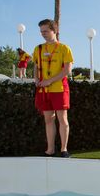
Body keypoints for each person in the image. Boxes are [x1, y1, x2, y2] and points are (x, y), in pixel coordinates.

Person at [32, 19, 74, 158]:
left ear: (54, 30)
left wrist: (49, 81)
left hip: (59, 88)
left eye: (45, 31)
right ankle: (50, 150)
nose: (42, 34)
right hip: (44, 90)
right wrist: (37, 79)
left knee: (62, 118)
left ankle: (64, 149)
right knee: (48, 119)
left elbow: (67, 70)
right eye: (41, 31)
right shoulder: (38, 49)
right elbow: (36, 67)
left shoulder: (64, 48)